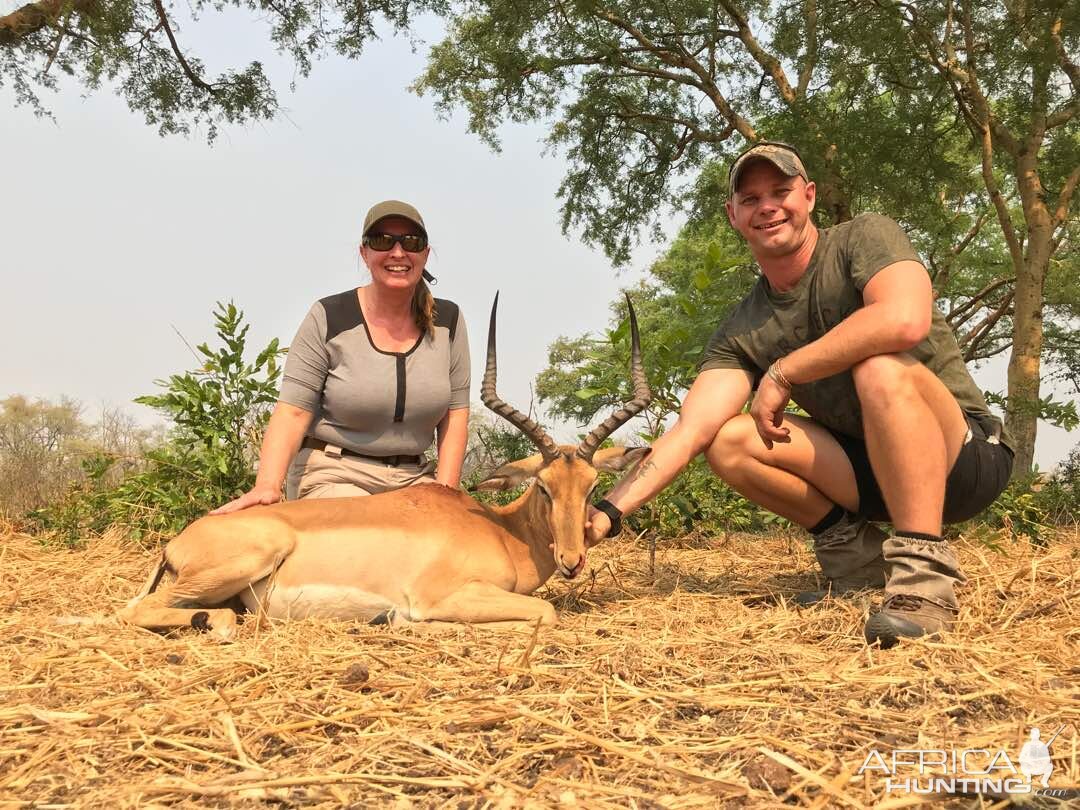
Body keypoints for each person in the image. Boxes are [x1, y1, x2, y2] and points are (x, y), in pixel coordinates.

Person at [586, 142, 1013, 647]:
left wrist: (783, 373)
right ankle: (858, 563)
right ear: (733, 216)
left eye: (781, 191)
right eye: (750, 198)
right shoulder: (743, 327)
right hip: (868, 476)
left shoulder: (864, 236)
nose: (767, 206)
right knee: (728, 440)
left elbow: (903, 318)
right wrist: (607, 513)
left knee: (879, 367)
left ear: (808, 196)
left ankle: (922, 584)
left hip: (962, 461)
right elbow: (691, 430)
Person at [213, 200, 470, 513]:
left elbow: (455, 416)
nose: (398, 253)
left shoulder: (448, 321)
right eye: (382, 241)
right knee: (370, 543)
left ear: (426, 254)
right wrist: (267, 485)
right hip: (335, 473)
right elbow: (293, 412)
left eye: (411, 243)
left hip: (413, 480)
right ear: (364, 253)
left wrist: (445, 498)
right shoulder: (329, 316)